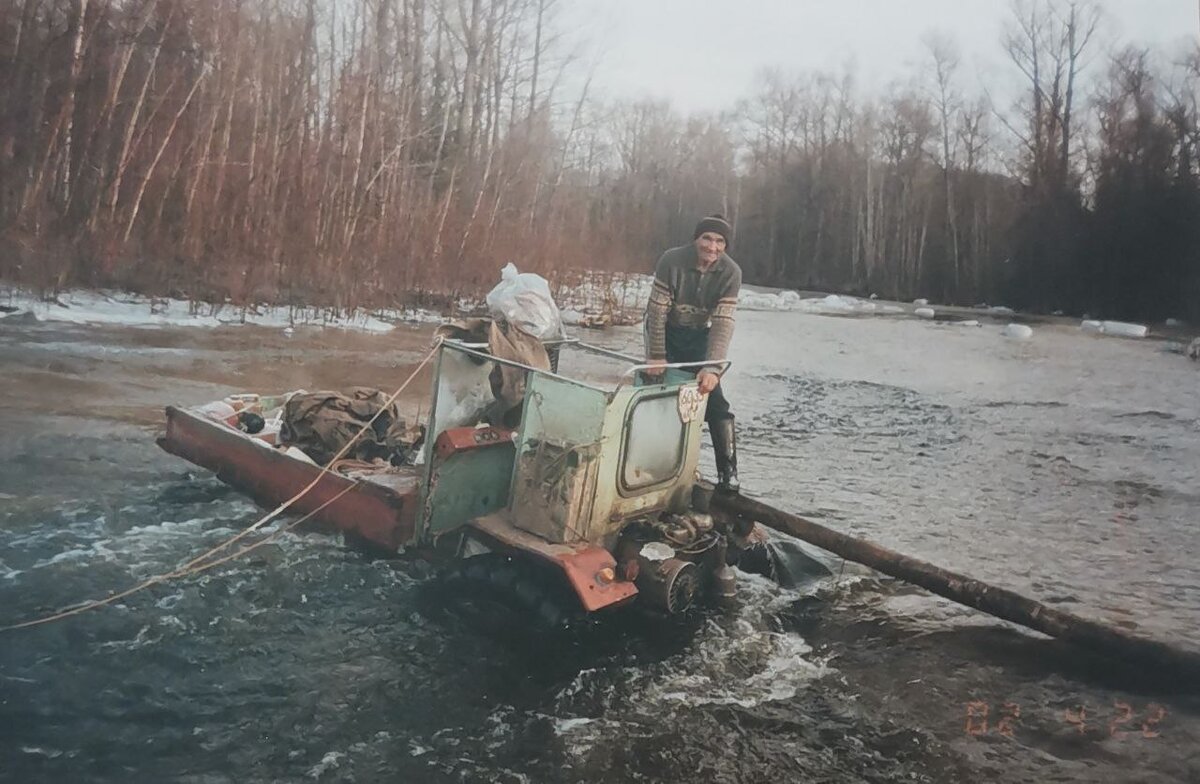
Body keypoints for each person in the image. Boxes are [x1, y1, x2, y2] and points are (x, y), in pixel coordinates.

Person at [644, 214, 742, 492]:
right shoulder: (671, 260)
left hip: (700, 333)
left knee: (715, 400)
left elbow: (723, 323)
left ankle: (728, 474)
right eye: (707, 238)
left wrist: (713, 368)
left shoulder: (731, 273)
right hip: (665, 328)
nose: (712, 246)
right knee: (659, 393)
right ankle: (654, 463)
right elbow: (657, 311)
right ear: (696, 239)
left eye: (720, 241)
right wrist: (656, 355)